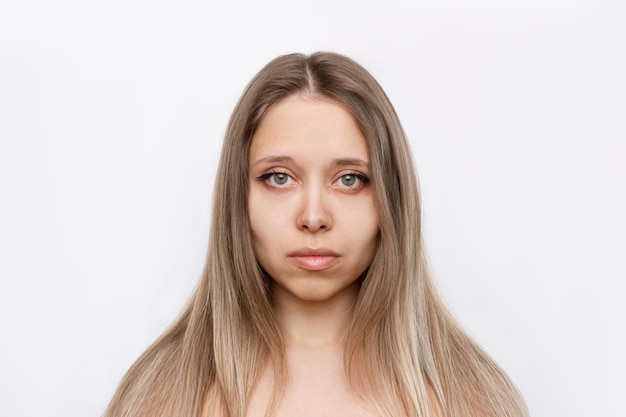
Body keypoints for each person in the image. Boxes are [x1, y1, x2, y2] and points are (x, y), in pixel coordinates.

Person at [103, 52, 529, 417]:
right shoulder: (161, 398)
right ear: (237, 197)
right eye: (279, 178)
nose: (313, 217)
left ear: (392, 200)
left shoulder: (470, 400)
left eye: (349, 180)